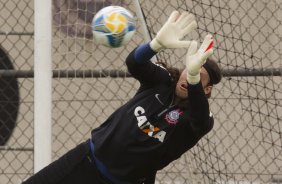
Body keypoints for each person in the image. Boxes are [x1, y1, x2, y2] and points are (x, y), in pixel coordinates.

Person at [23, 10, 222, 184]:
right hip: (85, 159)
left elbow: (201, 118)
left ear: (206, 89)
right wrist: (156, 44)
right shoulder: (163, 81)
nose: (189, 75)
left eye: (198, 76)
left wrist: (195, 77)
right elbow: (135, 64)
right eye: (190, 69)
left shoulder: (200, 119)